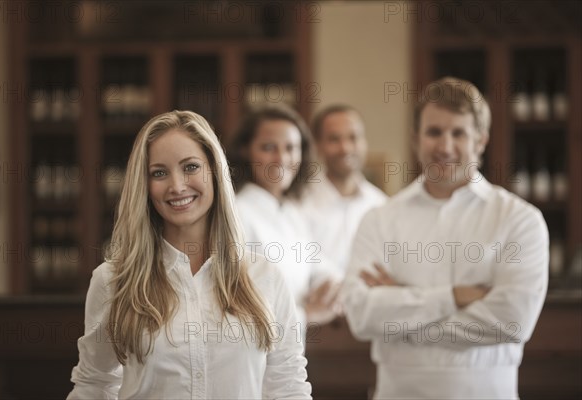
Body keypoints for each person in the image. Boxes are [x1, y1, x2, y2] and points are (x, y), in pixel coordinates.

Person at [67, 110, 312, 399]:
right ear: (144, 186)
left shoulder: (264, 276)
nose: (177, 186)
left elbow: (288, 386)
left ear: (215, 172)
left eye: (191, 167)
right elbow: (94, 384)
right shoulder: (113, 280)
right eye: (159, 173)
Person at [340, 77, 548, 399]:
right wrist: (454, 297)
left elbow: (512, 322)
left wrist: (402, 302)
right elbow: (360, 316)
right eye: (434, 132)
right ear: (415, 139)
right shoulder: (379, 219)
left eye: (458, 133)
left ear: (480, 141)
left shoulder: (520, 220)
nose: (445, 146)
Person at [230, 104, 340, 332]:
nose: (281, 158)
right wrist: (307, 315)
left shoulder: (292, 212)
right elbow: (237, 309)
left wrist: (331, 285)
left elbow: (320, 267)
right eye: (269, 147)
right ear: (245, 150)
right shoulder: (236, 214)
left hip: (293, 357)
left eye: (291, 147)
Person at [301, 104, 388, 276]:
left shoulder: (382, 205)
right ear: (318, 146)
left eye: (353, 138)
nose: (345, 148)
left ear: (364, 142)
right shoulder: (298, 202)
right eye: (334, 139)